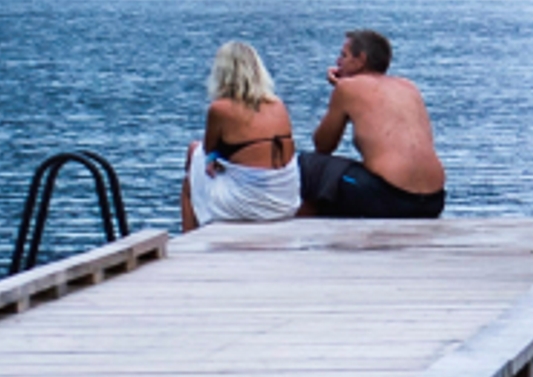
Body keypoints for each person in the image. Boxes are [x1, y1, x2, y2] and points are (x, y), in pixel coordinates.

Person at [303, 27, 448, 218]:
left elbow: (323, 146)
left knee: (307, 164)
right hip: (434, 201)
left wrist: (339, 88)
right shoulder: (408, 86)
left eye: (343, 55)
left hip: (391, 198)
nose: (338, 62)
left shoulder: (347, 87)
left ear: (361, 59)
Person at [182, 41, 303, 230]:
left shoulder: (220, 109)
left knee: (192, 160)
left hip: (250, 205)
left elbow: (208, 150)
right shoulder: (278, 105)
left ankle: (188, 243)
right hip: (286, 202)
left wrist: (213, 158)